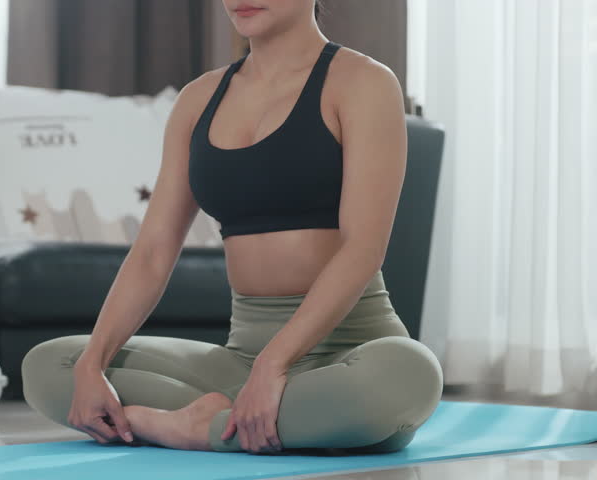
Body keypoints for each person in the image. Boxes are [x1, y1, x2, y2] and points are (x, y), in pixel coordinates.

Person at [22, 0, 443, 454]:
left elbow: (363, 249)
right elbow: (152, 252)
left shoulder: (364, 82)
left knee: (405, 378)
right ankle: (247, 422)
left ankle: (187, 427)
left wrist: (275, 365)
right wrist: (93, 363)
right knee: (51, 365)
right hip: (238, 360)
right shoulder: (198, 99)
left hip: (352, 349)